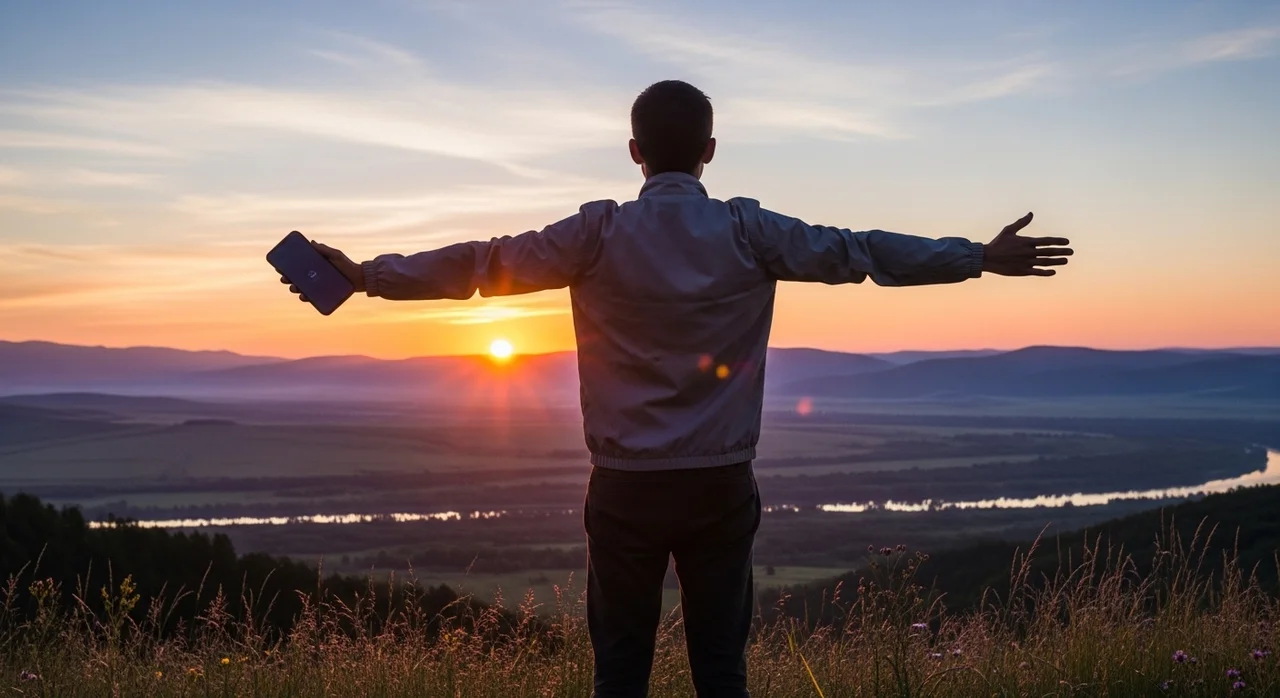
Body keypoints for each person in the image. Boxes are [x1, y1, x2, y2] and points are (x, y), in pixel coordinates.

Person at [282, 79, 1072, 697]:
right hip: (720, 486)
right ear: (711, 150)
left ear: (634, 151)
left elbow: (485, 264)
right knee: (721, 675)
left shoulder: (596, 234)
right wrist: (975, 255)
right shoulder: (747, 231)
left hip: (622, 488)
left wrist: (370, 276)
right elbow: (859, 251)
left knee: (617, 678)